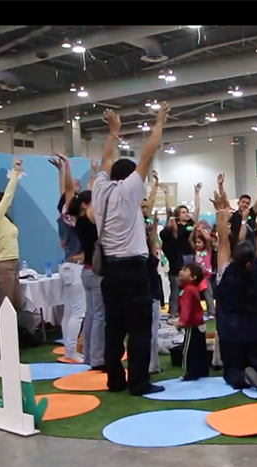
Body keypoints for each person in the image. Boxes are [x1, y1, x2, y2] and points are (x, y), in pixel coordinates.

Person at [91, 106, 168, 396]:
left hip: (109, 269)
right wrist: (159, 122)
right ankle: (138, 382)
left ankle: (115, 380)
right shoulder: (129, 191)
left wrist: (114, 131)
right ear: (130, 177)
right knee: (139, 329)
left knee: (113, 327)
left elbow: (106, 159)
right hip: (133, 268)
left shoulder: (99, 190)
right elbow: (147, 155)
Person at [211, 179, 257, 393]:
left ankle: (243, 376)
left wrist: (219, 211)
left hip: (232, 330)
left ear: (233, 257)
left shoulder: (226, 273)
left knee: (232, 369)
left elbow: (223, 240)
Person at [0, 158, 38, 351]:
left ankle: (13, 341)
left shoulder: (6, 221)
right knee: (6, 306)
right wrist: (15, 174)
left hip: (13, 265)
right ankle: (1, 347)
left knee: (14, 304)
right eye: (3, 202)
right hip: (4, 265)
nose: (9, 204)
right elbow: (8, 196)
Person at [49, 153, 86, 363]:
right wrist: (67, 166)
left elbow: (64, 192)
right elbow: (68, 191)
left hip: (67, 267)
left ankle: (69, 349)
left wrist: (61, 171)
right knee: (78, 312)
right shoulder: (73, 219)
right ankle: (71, 351)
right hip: (76, 267)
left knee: (69, 311)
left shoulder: (62, 219)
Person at [70, 189, 106, 371]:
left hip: (87, 271)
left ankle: (89, 355)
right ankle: (97, 357)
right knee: (99, 316)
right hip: (95, 272)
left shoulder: (79, 223)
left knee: (91, 314)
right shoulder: (87, 223)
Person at [176, 262, 208, 380]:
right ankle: (202, 370)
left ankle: (191, 372)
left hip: (192, 324)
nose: (181, 271)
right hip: (199, 323)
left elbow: (186, 307)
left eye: (185, 270)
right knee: (199, 348)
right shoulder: (192, 289)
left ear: (193, 277)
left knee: (189, 349)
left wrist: (182, 321)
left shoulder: (188, 290)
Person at [146, 214, 164, 374]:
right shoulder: (149, 260)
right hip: (151, 295)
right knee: (151, 331)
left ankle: (149, 363)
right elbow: (152, 244)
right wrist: (155, 227)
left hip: (146, 294)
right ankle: (153, 364)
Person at [175, 185, 201, 265]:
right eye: (183, 213)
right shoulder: (176, 226)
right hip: (181, 255)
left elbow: (197, 209)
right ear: (178, 215)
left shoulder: (191, 222)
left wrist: (197, 193)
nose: (186, 214)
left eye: (187, 212)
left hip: (192, 253)